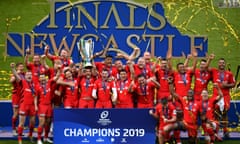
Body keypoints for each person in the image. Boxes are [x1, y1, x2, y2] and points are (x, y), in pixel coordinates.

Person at [164, 77, 200, 144]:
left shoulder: (198, 103)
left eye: (191, 93)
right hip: (184, 123)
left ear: (193, 94)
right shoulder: (183, 101)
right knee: (167, 128)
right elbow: (173, 93)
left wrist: (202, 123)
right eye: (188, 93)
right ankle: (168, 139)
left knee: (192, 141)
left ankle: (193, 138)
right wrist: (170, 83)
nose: (189, 94)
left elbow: (202, 115)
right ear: (186, 94)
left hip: (193, 126)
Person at [11, 63, 38, 144]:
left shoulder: (34, 84)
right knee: (21, 123)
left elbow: (36, 96)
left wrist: (36, 106)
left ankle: (30, 135)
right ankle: (19, 139)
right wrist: (13, 69)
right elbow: (17, 77)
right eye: (28, 75)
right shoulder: (22, 82)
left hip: (32, 106)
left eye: (30, 75)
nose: (29, 76)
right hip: (24, 105)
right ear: (25, 77)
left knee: (32, 122)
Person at [210, 57, 236, 138]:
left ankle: (225, 130)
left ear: (225, 64)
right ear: (218, 64)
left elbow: (233, 84)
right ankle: (216, 131)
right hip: (216, 95)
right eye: (220, 63)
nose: (221, 64)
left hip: (225, 96)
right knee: (216, 113)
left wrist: (226, 85)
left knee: (224, 112)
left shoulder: (229, 74)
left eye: (223, 63)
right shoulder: (214, 71)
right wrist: (209, 59)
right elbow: (206, 69)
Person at [36, 73, 60, 144]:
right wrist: (36, 106)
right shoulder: (37, 86)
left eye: (44, 77)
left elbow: (56, 77)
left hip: (49, 105)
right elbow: (35, 97)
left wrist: (59, 71)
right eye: (41, 78)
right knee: (42, 122)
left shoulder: (49, 83)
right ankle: (39, 139)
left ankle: (46, 138)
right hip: (42, 105)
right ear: (39, 79)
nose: (43, 79)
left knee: (48, 122)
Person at [9, 62, 25, 136]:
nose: (21, 68)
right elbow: (11, 81)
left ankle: (19, 129)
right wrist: (16, 73)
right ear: (17, 68)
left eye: (22, 67)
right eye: (20, 67)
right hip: (16, 96)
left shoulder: (24, 74)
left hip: (23, 96)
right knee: (16, 113)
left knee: (21, 113)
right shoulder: (14, 74)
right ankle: (13, 129)